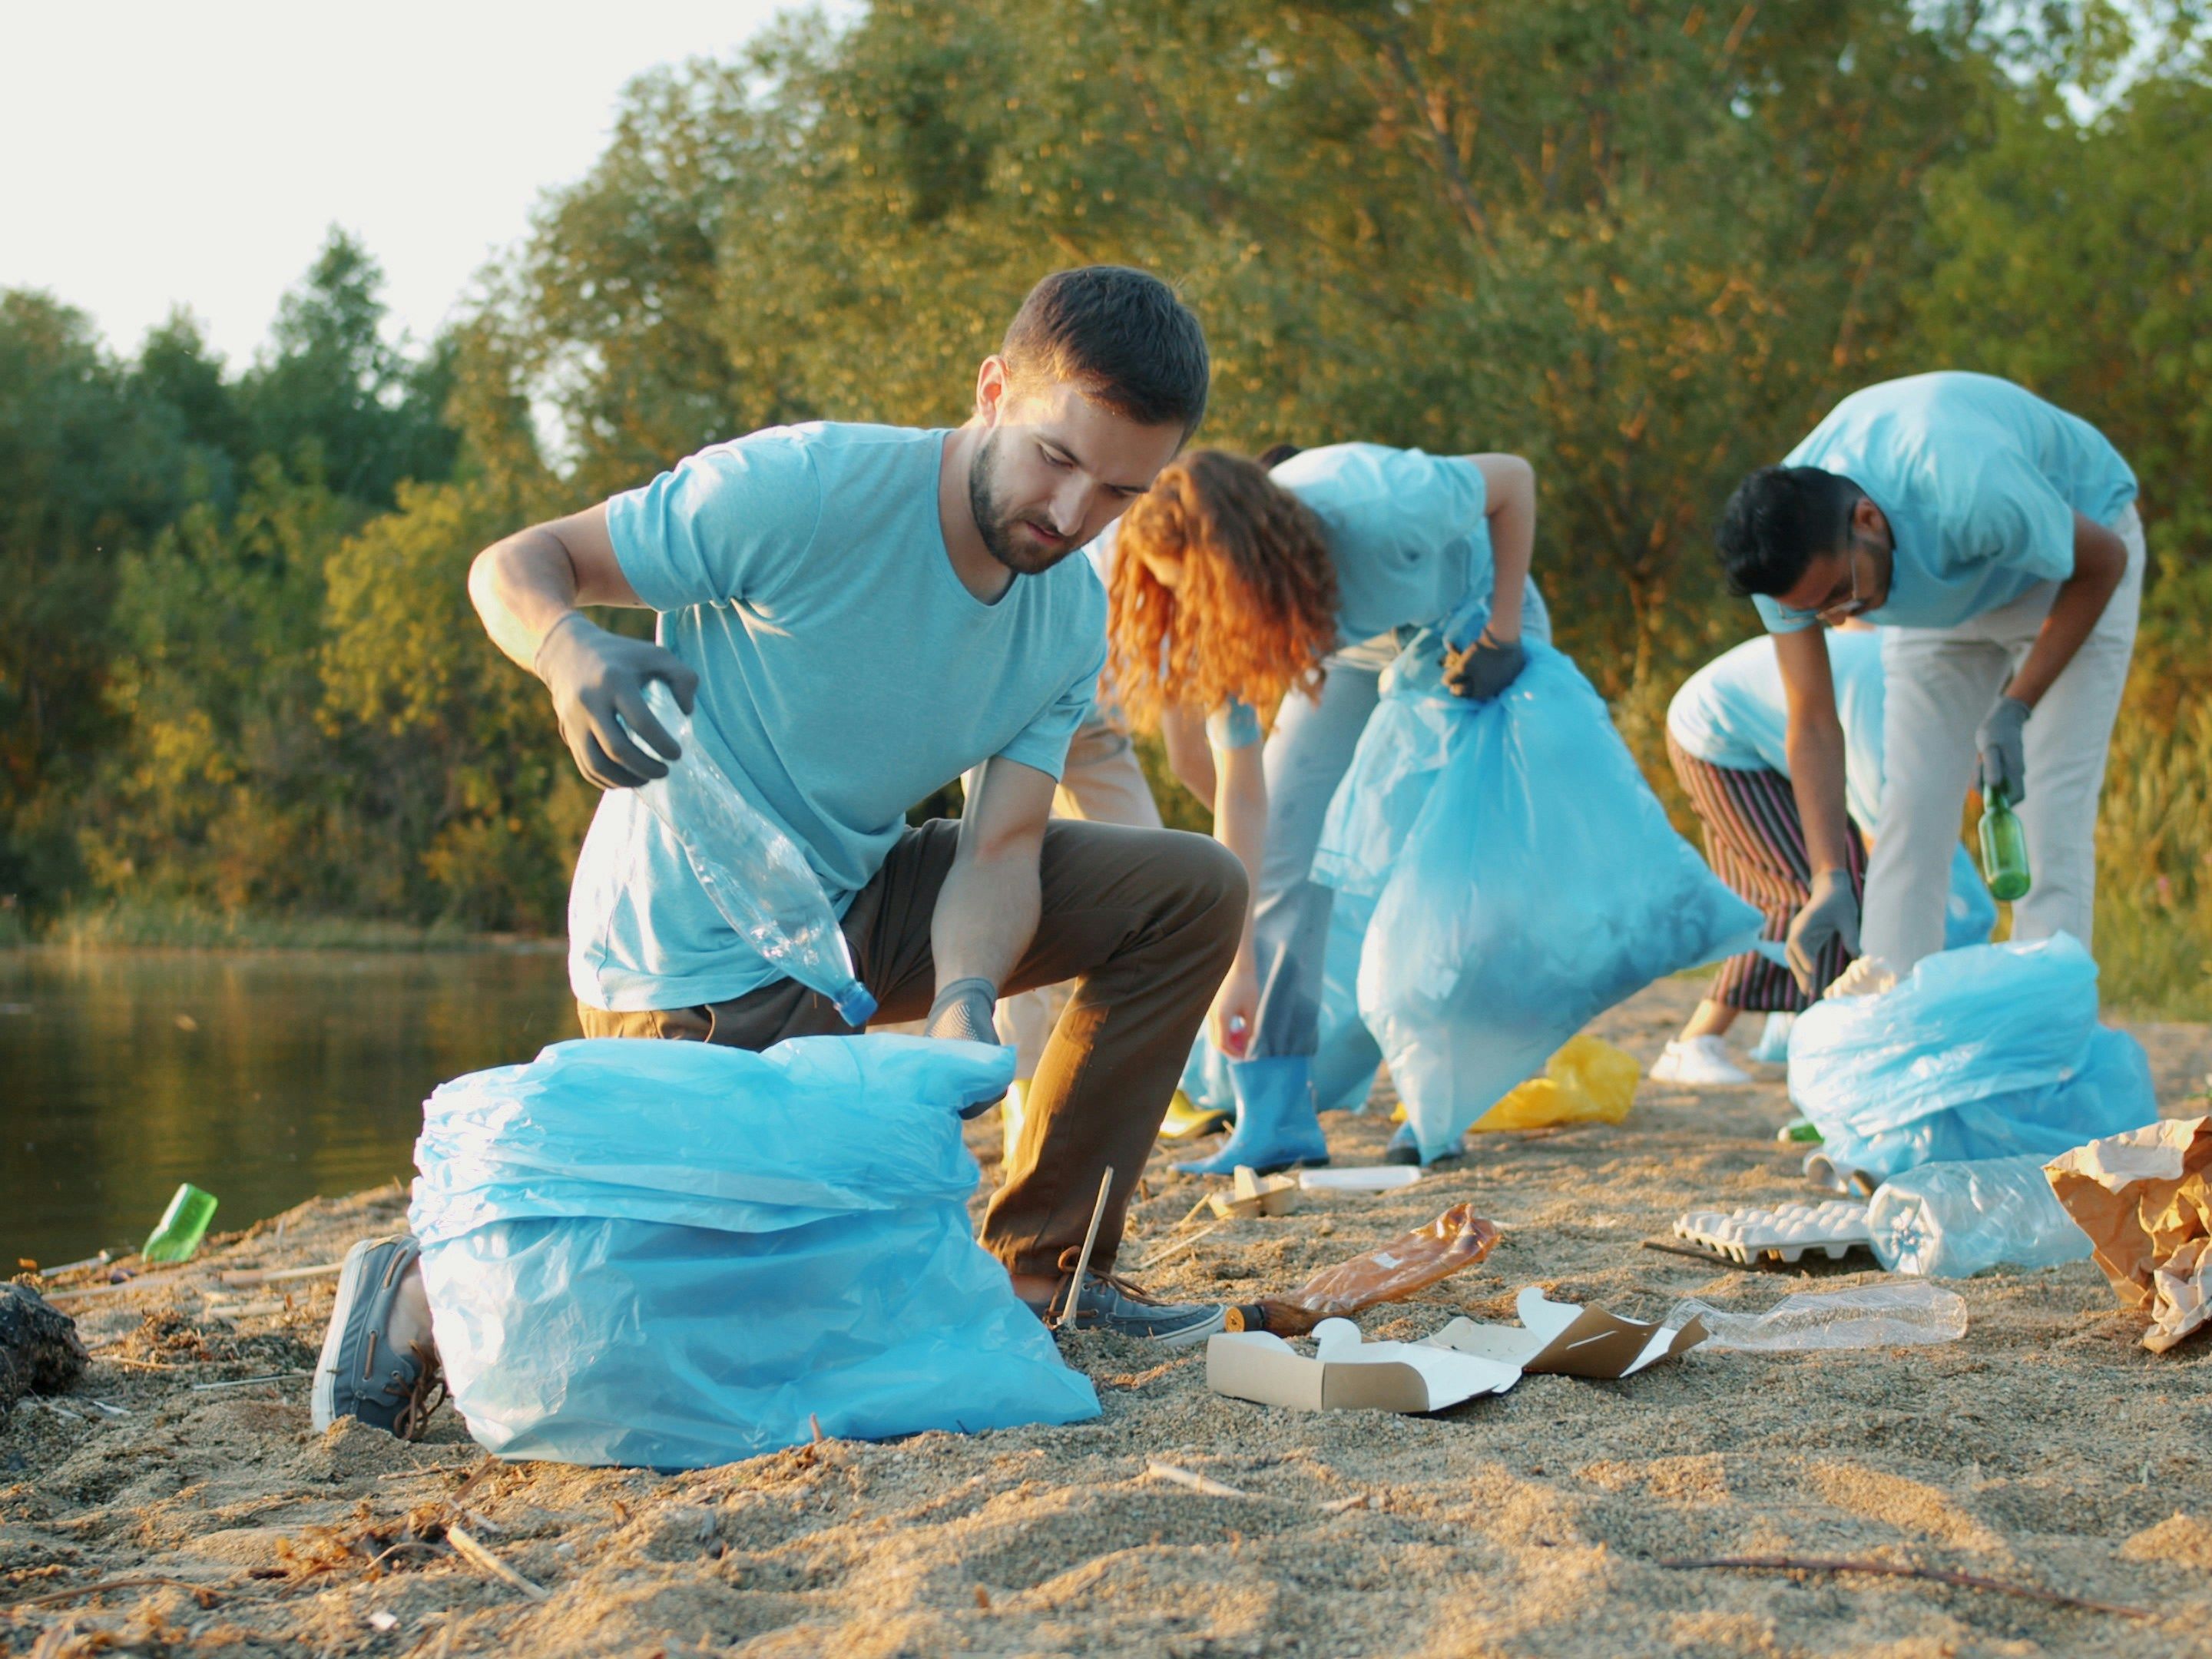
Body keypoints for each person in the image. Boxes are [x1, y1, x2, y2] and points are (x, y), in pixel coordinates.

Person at [313, 267, 1250, 1439]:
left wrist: (963, 997)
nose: (1071, 517)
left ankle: (1047, 1268)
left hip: (857, 904)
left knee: (1193, 889)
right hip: (689, 955)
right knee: (736, 1308)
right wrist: (569, 657)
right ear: (996, 390)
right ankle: (418, 1281)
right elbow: (514, 563)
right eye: (1055, 460)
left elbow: (1002, 846)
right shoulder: (804, 487)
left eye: (1118, 491)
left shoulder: (1064, 611)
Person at [1107, 442, 1546, 1174]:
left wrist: (1502, 632)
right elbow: (1244, 799)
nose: (1191, 611)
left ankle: (1438, 1103)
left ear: (1245, 563)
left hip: (1470, 615)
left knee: (1443, 868)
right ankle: (1275, 1114)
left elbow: (1513, 479)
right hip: (1353, 643)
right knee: (1283, 840)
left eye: (1200, 592)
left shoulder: (1378, 501)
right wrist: (1236, 966)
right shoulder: (1229, 617)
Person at [1714, 373, 2140, 988]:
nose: (1835, 620)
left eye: (1841, 594)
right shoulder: (1783, 562)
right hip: (1941, 599)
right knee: (1910, 807)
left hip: (2071, 562)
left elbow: (2104, 563)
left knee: (2049, 811)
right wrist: (1829, 872)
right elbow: (1811, 719)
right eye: (1815, 612)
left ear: (1868, 519)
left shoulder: (1966, 484)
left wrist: (2016, 707)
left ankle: (2045, 1044)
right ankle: (1892, 1027)